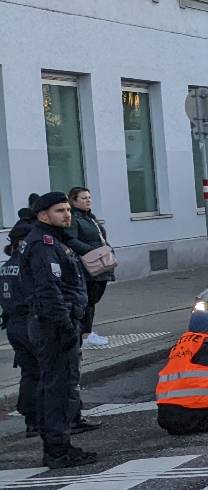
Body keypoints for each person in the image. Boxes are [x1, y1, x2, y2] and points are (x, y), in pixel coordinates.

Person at [21, 192, 96, 468]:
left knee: (55, 384)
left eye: (67, 209)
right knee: (59, 387)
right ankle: (57, 449)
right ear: (43, 216)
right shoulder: (44, 244)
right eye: (60, 211)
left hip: (56, 322)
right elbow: (49, 291)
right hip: (53, 325)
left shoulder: (54, 241)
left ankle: (58, 444)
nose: (67, 214)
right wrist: (65, 327)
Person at [63, 187, 112, 347]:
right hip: (88, 266)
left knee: (93, 300)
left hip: (101, 264)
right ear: (74, 201)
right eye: (83, 198)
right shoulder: (74, 219)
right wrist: (92, 251)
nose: (88, 200)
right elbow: (70, 240)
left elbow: (100, 237)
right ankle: (85, 334)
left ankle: (85, 332)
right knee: (87, 300)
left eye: (89, 197)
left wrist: (108, 249)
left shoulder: (91, 218)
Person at [3, 217, 38, 438]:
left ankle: (30, 420)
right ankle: (39, 420)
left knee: (29, 373)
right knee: (43, 373)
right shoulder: (27, 265)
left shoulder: (7, 266)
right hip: (30, 323)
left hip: (14, 324)